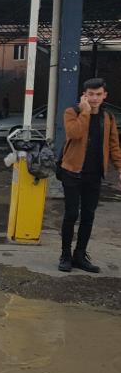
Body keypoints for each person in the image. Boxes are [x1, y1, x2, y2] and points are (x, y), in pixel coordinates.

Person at [58, 78, 121, 273]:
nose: (94, 98)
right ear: (84, 95)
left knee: (88, 216)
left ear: (104, 96)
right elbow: (75, 133)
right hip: (72, 172)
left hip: (94, 174)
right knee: (71, 214)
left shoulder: (108, 118)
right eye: (90, 94)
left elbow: (114, 146)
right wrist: (85, 111)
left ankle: (80, 255)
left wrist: (120, 168)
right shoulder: (72, 113)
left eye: (98, 94)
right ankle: (65, 255)